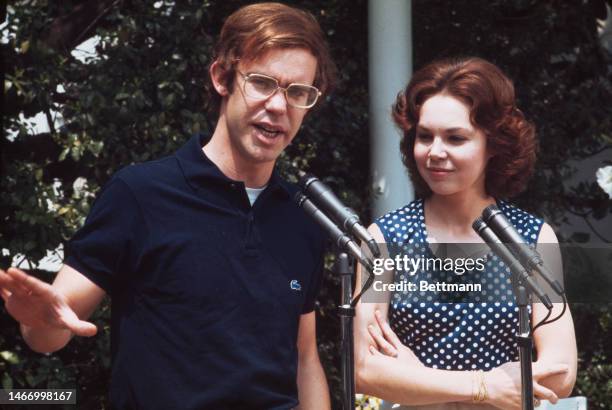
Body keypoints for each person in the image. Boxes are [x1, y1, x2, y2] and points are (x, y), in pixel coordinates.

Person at [0, 3, 336, 409]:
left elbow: (304, 357)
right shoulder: (140, 194)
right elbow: (52, 330)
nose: (280, 106)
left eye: (298, 92)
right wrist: (39, 320)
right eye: (263, 83)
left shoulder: (302, 220)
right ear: (222, 78)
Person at [354, 57, 577, 410]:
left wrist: (419, 381)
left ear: (494, 145)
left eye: (456, 138)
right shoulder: (384, 237)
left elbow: (560, 373)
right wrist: (486, 386)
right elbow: (365, 369)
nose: (435, 152)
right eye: (424, 136)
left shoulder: (532, 237)